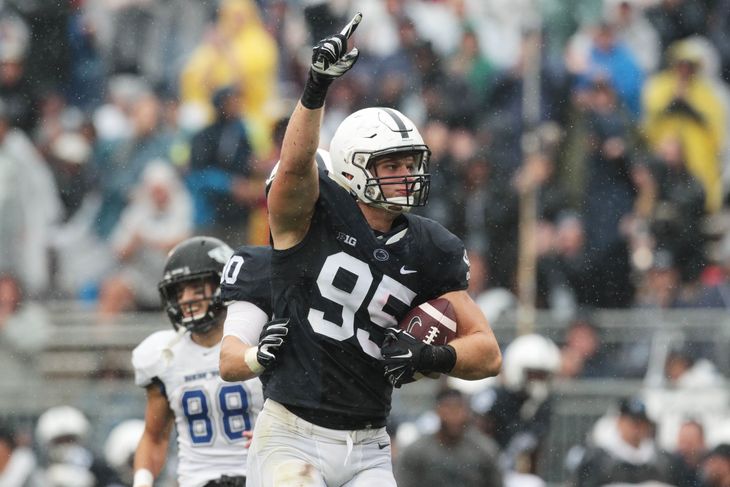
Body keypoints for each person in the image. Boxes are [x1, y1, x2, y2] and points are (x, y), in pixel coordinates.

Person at [248, 13, 502, 486]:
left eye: (412, 162)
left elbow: (487, 353)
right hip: (292, 431)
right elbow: (296, 165)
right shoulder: (311, 214)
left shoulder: (430, 245)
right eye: (393, 164)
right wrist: (316, 88)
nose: (408, 174)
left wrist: (431, 358)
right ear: (351, 168)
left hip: (368, 441)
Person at [131, 236, 285, 487]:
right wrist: (142, 481)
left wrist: (280, 433)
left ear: (223, 283)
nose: (185, 299)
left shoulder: (262, 340)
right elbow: (154, 437)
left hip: (262, 477)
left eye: (196, 287)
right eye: (179, 292)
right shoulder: (164, 354)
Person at [394, 388, 503, 487]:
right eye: (448, 409)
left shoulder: (484, 449)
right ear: (437, 411)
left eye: (458, 409)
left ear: (467, 412)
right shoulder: (416, 452)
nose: (454, 416)